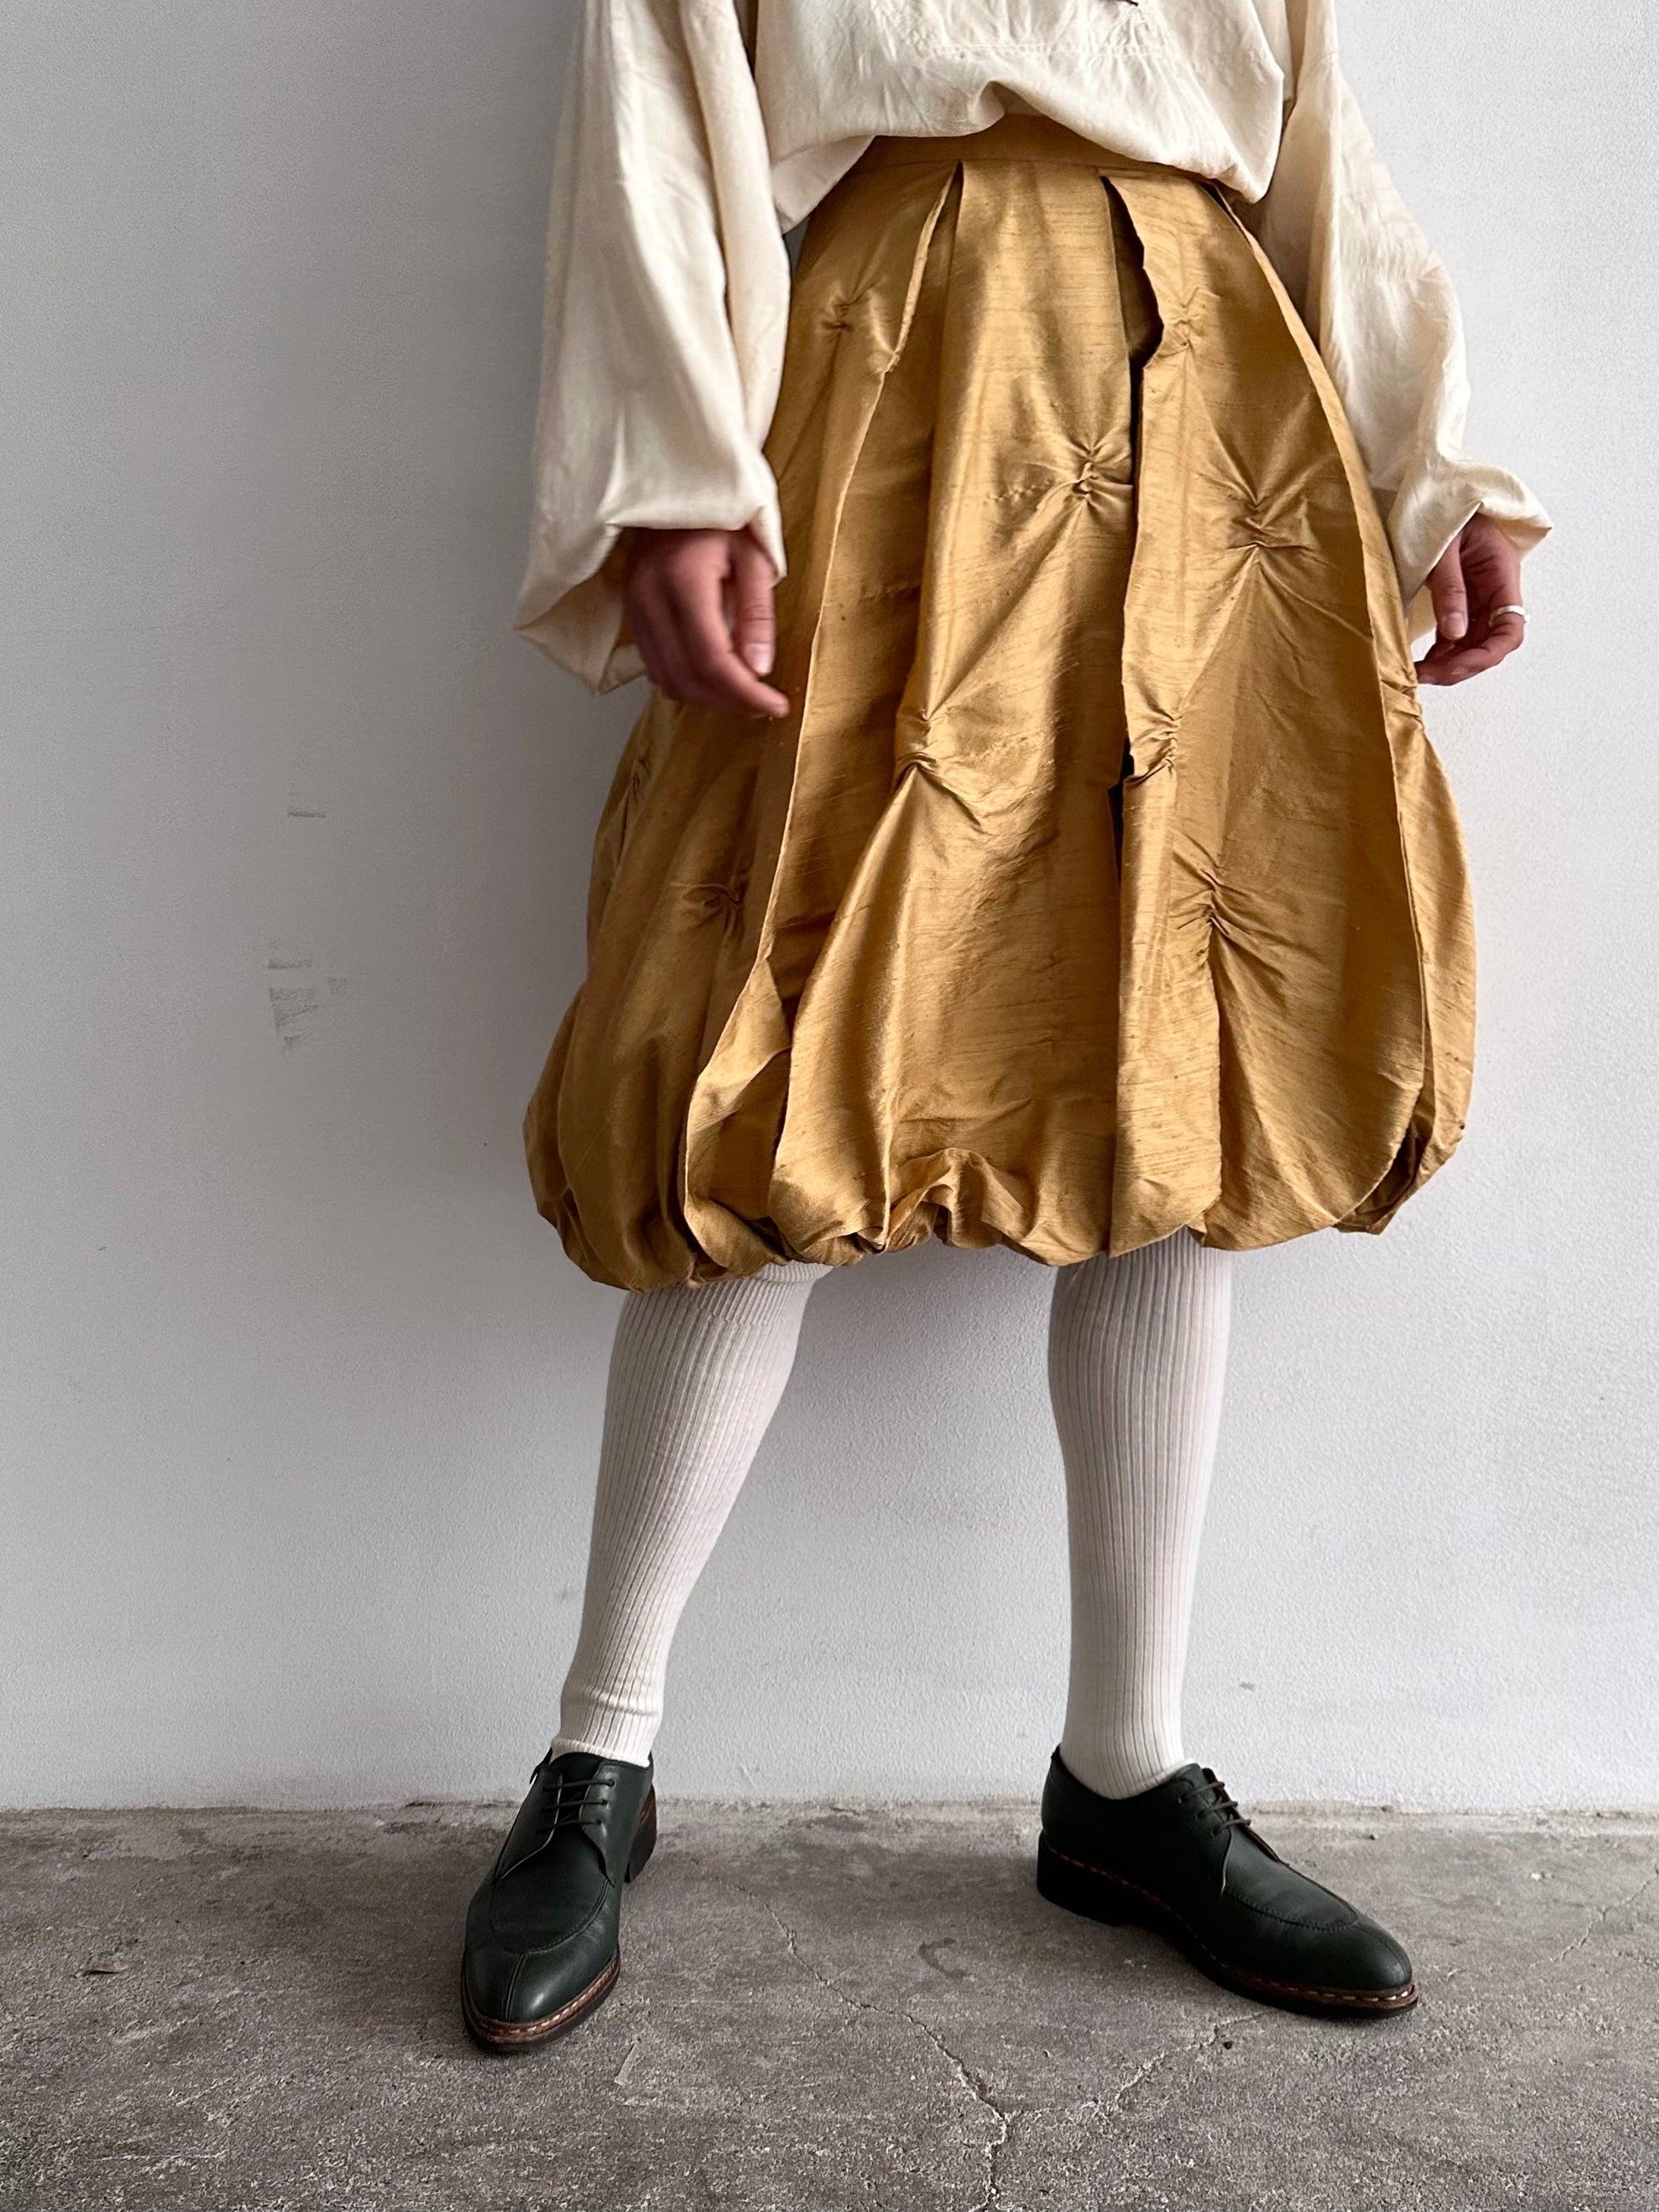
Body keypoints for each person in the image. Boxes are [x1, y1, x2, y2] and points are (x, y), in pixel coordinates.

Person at [459, 0, 1549, 2053]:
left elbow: (1311, 137)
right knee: (772, 1044)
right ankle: (600, 1750)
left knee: (1183, 1047)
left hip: (1218, 400)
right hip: (899, 374)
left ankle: (1125, 1769)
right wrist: (672, 470)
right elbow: (655, 106)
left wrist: (1428, 464)